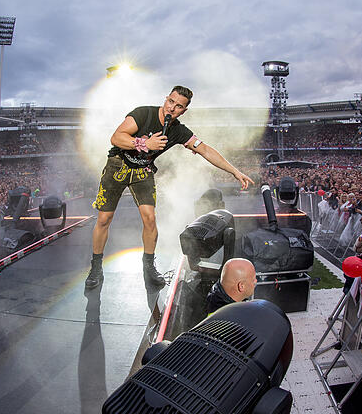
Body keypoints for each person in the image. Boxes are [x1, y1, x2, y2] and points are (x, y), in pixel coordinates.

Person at [86, 86, 254, 289]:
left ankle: (148, 268)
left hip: (143, 171)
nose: (172, 108)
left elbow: (205, 150)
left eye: (178, 106)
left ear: (184, 111)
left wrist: (235, 171)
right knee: (104, 219)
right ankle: (96, 268)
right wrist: (144, 143)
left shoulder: (178, 131)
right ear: (166, 99)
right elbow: (117, 137)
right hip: (117, 165)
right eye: (170, 102)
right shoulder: (143, 113)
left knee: (150, 219)